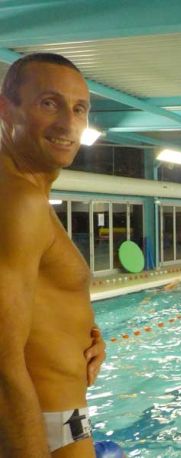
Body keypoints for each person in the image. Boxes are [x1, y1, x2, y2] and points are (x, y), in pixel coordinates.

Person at [0, 53, 106, 457]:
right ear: (5, 108)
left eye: (79, 109)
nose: (68, 123)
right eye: (49, 103)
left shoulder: (31, 194)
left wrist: (86, 335)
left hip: (60, 418)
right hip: (41, 427)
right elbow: (3, 366)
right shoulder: (19, 201)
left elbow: (34, 311)